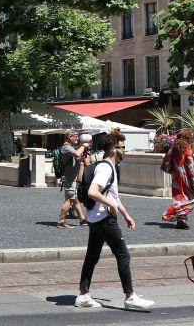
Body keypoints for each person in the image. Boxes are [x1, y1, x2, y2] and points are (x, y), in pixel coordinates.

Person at [75, 132, 154, 311]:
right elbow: (93, 192)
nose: (125, 151)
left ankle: (83, 295)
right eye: (122, 148)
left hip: (95, 218)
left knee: (92, 256)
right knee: (123, 255)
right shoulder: (106, 168)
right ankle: (130, 296)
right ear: (113, 149)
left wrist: (126, 215)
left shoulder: (109, 166)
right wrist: (111, 206)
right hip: (104, 220)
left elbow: (113, 195)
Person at [162, 129, 194, 230]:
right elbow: (191, 167)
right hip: (186, 179)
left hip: (176, 178)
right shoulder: (188, 150)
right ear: (189, 138)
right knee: (192, 198)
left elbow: (167, 161)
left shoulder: (174, 149)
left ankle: (181, 221)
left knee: (179, 197)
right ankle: (169, 213)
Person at [57, 131, 90, 229]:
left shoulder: (69, 147)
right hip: (69, 178)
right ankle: (61, 221)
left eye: (77, 137)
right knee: (68, 200)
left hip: (71, 178)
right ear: (69, 137)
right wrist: (83, 146)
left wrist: (84, 153)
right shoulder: (66, 147)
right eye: (75, 137)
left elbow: (78, 159)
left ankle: (82, 220)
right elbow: (76, 154)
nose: (77, 138)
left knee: (74, 200)